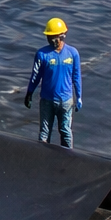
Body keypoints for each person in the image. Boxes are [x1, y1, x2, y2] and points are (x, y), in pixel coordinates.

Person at [25, 17, 81, 147]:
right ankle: (41, 158)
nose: (51, 40)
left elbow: (76, 76)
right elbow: (35, 76)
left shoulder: (73, 54)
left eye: (53, 37)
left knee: (65, 131)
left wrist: (79, 97)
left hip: (66, 101)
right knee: (44, 133)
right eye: (49, 37)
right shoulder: (42, 54)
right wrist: (29, 93)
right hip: (47, 100)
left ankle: (68, 158)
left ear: (62, 36)